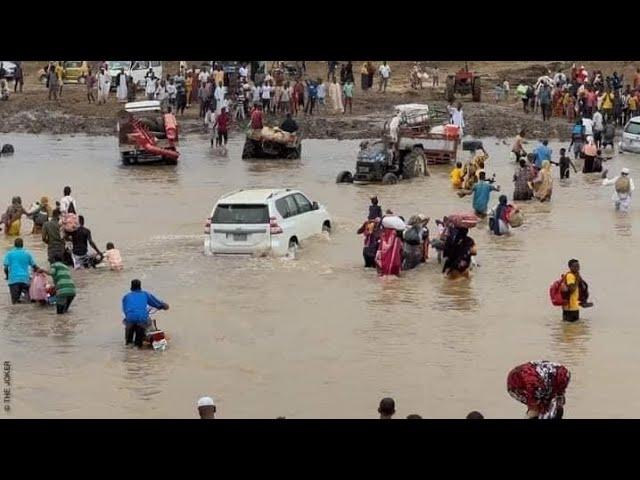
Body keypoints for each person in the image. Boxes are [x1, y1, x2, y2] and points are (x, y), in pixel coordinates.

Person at [122, 279, 169, 348]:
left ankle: (129, 351)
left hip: (130, 319)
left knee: (129, 344)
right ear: (140, 287)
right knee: (139, 344)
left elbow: (125, 310)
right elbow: (157, 303)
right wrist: (164, 306)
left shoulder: (126, 297)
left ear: (131, 287)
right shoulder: (145, 294)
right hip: (142, 319)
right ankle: (145, 341)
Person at [3, 238, 38, 304]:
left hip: (13, 280)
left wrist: (7, 276)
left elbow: (5, 268)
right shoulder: (27, 254)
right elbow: (34, 266)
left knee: (15, 303)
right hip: (25, 280)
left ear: (14, 245)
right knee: (29, 301)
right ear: (22, 245)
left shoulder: (9, 254)